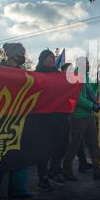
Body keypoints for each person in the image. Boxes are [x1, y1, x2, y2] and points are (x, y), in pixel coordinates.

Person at [0, 43, 35, 200]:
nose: (23, 56)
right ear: (12, 55)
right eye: (21, 53)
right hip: (1, 121)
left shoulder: (24, 72)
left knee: (21, 157)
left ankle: (18, 192)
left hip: (21, 120)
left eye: (24, 53)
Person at [62, 57, 100, 181]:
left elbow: (90, 93)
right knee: (74, 145)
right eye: (87, 64)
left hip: (88, 116)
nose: (89, 66)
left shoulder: (86, 77)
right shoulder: (75, 77)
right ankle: (66, 170)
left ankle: (97, 170)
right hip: (78, 117)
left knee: (94, 143)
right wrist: (92, 106)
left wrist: (97, 84)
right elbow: (76, 97)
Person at [35, 49, 71, 191]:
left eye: (53, 57)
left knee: (63, 145)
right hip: (44, 118)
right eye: (50, 57)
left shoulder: (59, 75)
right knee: (44, 149)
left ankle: (54, 170)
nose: (52, 60)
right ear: (43, 59)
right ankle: (42, 178)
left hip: (61, 116)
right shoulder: (37, 74)